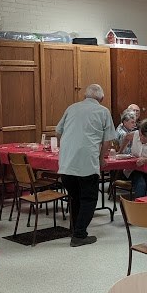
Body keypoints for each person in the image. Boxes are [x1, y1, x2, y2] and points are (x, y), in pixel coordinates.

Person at [55, 84, 115, 247]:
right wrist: (101, 158)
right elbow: (108, 140)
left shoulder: (71, 108)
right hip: (87, 163)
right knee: (89, 198)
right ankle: (79, 235)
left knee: (75, 197)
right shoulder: (103, 111)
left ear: (84, 97)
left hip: (66, 163)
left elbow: (58, 131)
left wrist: (65, 148)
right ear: (101, 99)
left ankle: (75, 229)